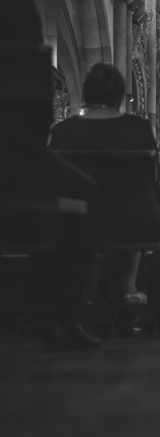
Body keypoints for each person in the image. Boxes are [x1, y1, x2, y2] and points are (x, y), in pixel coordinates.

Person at [0, 0, 100, 350]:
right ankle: (62, 317)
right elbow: (38, 122)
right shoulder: (28, 57)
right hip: (18, 159)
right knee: (84, 192)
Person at [50, 63, 160, 311]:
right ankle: (127, 285)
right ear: (120, 97)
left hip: (77, 221)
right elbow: (150, 182)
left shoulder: (64, 131)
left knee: (81, 213)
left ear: (86, 95)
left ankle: (78, 291)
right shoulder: (139, 129)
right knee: (128, 204)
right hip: (134, 221)